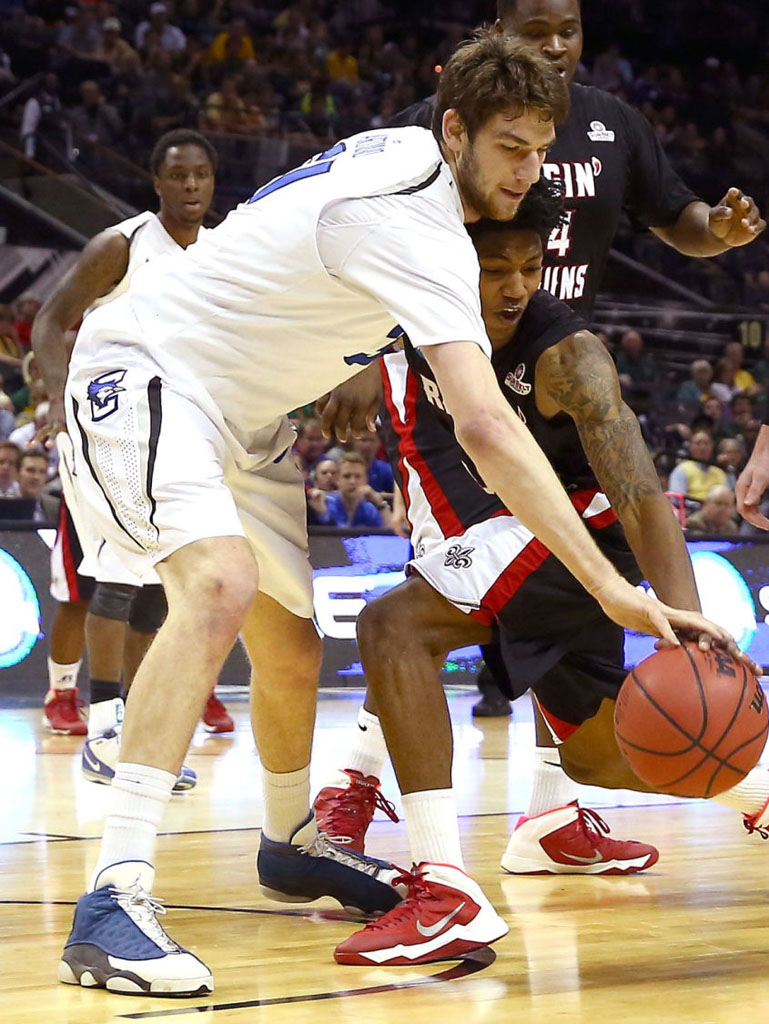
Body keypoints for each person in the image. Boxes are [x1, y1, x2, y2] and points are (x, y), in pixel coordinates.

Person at [50, 34, 727, 996]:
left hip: (242, 412)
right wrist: (613, 588)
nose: (528, 173)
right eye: (509, 150)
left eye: (540, 152)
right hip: (148, 368)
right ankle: (113, 900)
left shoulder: (397, 153)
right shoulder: (417, 226)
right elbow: (490, 429)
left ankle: (289, 838)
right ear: (454, 131)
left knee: (288, 649)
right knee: (218, 581)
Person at [333, 0, 765, 822]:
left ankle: (506, 812)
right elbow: (359, 242)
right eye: (537, 32)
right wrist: (353, 348)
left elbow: (681, 222)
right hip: (448, 368)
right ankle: (503, 809)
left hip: (552, 376)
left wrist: (718, 231)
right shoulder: (421, 133)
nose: (558, 46)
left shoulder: (613, 126)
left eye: (569, 29)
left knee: (438, 617)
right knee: (459, 620)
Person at [322, 193, 767, 966]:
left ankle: (443, 891)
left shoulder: (568, 356)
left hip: (578, 534)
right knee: (595, 759)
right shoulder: (420, 316)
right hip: (511, 539)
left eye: (530, 267)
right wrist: (365, 355)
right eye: (495, 268)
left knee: (393, 626)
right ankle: (759, 790)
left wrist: (684, 623)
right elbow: (368, 302)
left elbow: (641, 493)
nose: (515, 286)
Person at [34, 129, 230, 748]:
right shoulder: (121, 244)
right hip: (107, 419)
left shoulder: (223, 250)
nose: (191, 185)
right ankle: (103, 725)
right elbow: (47, 321)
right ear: (156, 182)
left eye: (200, 174)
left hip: (175, 423)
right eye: (178, 175)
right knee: (117, 576)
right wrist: (57, 403)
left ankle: (139, 725)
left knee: (158, 586)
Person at [309, 452, 390, 528]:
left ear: (366, 480)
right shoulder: (325, 503)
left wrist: (381, 505)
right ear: (338, 479)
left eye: (358, 476)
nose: (352, 481)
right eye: (347, 476)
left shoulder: (369, 509)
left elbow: (394, 534)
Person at [668, 430, 728, 502]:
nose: (702, 447)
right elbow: (676, 499)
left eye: (706, 443)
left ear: (712, 446)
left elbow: (729, 498)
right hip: (692, 511)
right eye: (698, 443)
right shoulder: (681, 470)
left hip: (720, 510)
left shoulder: (719, 472)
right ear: (691, 447)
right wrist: (702, 505)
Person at [16, 449, 58, 521]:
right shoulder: (4, 504)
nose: (36, 477)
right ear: (17, 473)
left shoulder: (56, 507)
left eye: (42, 472)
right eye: (30, 470)